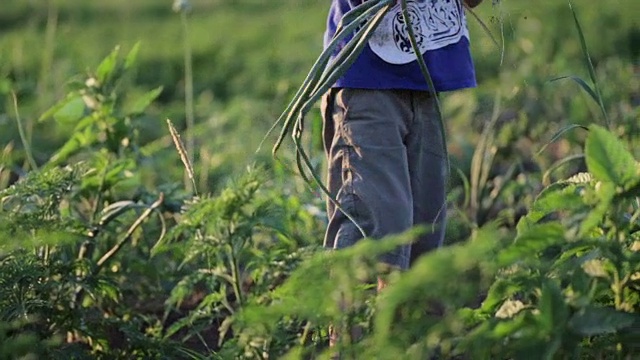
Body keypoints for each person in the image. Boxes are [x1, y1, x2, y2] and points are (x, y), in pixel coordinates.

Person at [322, 0, 482, 290]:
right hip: (368, 81)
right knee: (377, 231)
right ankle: (352, 332)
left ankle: (405, 332)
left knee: (424, 236)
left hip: (425, 83)